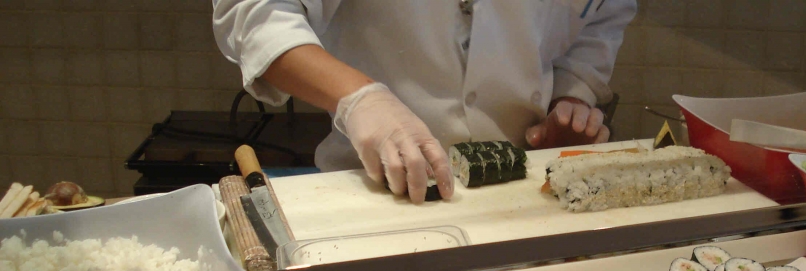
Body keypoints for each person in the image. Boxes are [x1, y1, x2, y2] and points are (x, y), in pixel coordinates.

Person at [212, 0, 637, 203]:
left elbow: (601, 16)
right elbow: (257, 14)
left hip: (527, 194)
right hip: (377, 193)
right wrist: (359, 99)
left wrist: (570, 97)